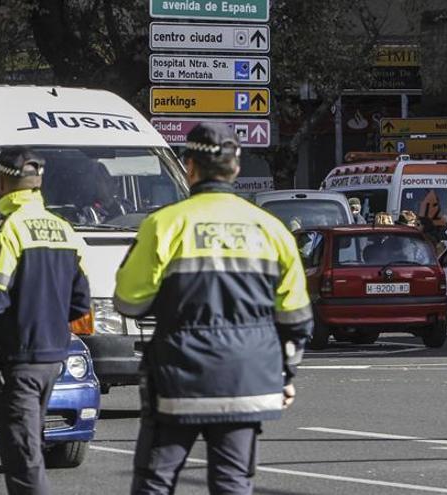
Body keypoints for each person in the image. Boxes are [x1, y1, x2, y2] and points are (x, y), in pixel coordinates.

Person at [114, 123, 314, 495]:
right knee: (233, 483)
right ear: (236, 168)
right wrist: (286, 374)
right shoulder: (272, 230)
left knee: (155, 481)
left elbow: (128, 301)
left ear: (190, 167)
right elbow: (297, 316)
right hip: (248, 380)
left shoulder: (164, 225)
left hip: (179, 378)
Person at [0, 147, 91, 495]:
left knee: (23, 459)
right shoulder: (64, 229)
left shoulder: (6, 230)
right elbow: (80, 303)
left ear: (1, 183)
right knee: (31, 448)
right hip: (52, 358)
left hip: (16, 362)